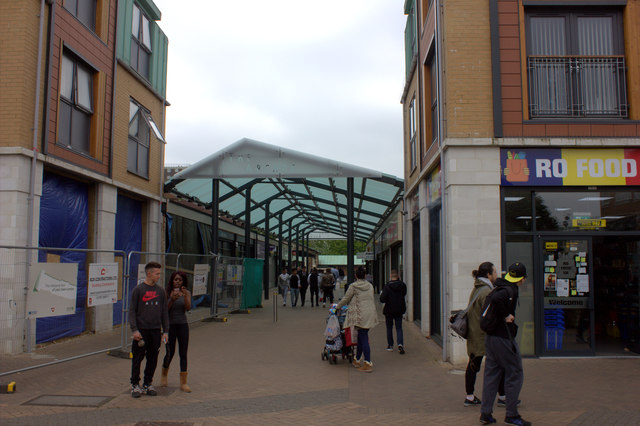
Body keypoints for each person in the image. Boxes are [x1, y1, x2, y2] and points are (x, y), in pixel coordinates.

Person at [480, 262, 531, 426]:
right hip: (503, 338)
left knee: (491, 374)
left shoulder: (501, 286)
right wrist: (506, 315)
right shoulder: (510, 290)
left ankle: (486, 413)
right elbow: (496, 300)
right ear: (522, 279)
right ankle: (512, 414)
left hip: (491, 338)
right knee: (515, 373)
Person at [465, 262, 508, 407]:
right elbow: (490, 314)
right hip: (483, 334)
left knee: (474, 364)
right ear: (488, 275)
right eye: (495, 272)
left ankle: (470, 396)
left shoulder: (477, 289)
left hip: (475, 333)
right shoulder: (486, 292)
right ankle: (501, 396)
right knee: (497, 365)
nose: (497, 275)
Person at [129, 261, 169, 398]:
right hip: (141, 331)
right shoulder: (138, 290)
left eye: (159, 273)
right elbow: (132, 312)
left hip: (155, 331)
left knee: (153, 359)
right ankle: (135, 385)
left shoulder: (161, 291)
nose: (159, 276)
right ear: (149, 273)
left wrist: (166, 331)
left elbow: (164, 312)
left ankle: (147, 384)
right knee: (137, 358)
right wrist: (135, 330)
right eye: (157, 273)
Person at [336, 266, 378, 373]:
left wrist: (337, 307)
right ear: (365, 275)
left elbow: (346, 298)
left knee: (363, 338)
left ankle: (368, 363)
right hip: (369, 314)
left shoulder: (353, 286)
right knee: (361, 336)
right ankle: (357, 359)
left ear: (356, 276)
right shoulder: (370, 285)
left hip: (359, 315)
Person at [161, 270, 192, 392]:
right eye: (175, 279)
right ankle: (164, 373)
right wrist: (172, 299)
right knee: (170, 352)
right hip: (170, 326)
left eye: (180, 280)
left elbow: (188, 307)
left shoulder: (186, 292)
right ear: (172, 281)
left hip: (183, 325)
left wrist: (185, 296)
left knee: (183, 353)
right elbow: (165, 310)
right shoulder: (167, 292)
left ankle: (183, 382)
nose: (178, 282)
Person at [380, 269, 407, 354]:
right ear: (398, 276)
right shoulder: (403, 285)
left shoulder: (387, 286)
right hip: (399, 309)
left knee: (389, 327)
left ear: (391, 276)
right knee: (399, 327)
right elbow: (404, 294)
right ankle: (400, 344)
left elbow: (382, 299)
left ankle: (390, 345)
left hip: (389, 310)